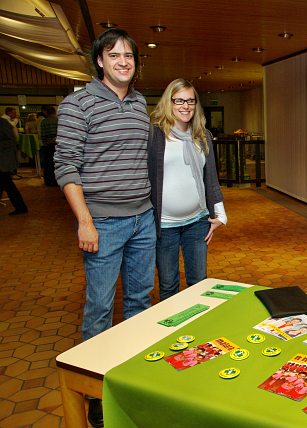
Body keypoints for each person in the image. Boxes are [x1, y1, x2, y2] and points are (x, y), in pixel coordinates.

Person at [54, 28, 155, 428]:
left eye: (128, 55)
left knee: (140, 303)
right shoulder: (77, 104)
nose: (123, 62)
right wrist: (85, 221)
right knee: (99, 309)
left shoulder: (140, 103)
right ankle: (96, 393)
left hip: (143, 218)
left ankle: (130, 382)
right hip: (104, 223)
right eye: (114, 55)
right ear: (100, 61)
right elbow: (66, 166)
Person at [148, 78, 226, 300]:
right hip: (164, 226)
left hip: (197, 222)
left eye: (190, 101)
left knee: (199, 283)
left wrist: (220, 215)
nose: (186, 106)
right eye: (179, 100)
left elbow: (211, 178)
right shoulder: (155, 135)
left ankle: (198, 321)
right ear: (169, 102)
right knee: (168, 285)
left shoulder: (202, 135)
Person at [0, 117, 28, 215]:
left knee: (7, 184)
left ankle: (21, 207)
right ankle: (21, 207)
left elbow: (11, 140)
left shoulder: (2, 123)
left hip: (3, 160)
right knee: (7, 184)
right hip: (3, 161)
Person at [39, 106, 58, 186]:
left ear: (46, 113)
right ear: (54, 112)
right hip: (58, 145)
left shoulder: (44, 122)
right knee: (57, 164)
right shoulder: (59, 120)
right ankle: (57, 181)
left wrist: (45, 143)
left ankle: (49, 181)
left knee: (48, 164)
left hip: (48, 145)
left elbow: (42, 135)